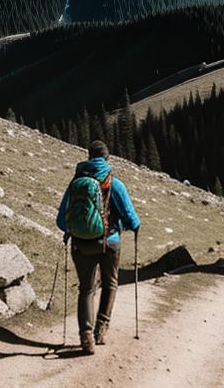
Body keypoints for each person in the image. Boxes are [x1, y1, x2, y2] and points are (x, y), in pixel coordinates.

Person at [56, 140, 140, 354]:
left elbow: (61, 221)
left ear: (88, 156)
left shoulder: (75, 182)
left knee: (86, 288)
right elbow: (131, 217)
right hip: (109, 241)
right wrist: (132, 226)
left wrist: (75, 231)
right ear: (107, 157)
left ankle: (86, 335)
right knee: (110, 283)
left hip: (80, 245)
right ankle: (101, 329)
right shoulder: (114, 183)